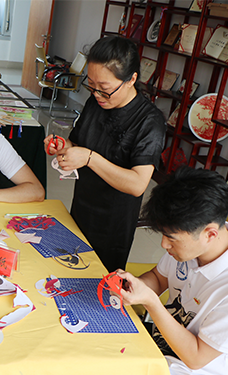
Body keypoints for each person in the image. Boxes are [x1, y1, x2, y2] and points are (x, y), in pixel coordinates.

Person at [117, 167, 228, 375]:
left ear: (210, 234)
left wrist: (150, 302)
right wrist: (134, 286)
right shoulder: (189, 246)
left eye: (171, 238)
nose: (164, 245)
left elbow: (196, 358)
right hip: (162, 344)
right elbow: (159, 278)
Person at [45, 35, 165, 272]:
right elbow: (77, 143)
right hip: (81, 207)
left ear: (131, 80)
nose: (97, 94)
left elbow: (137, 184)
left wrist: (90, 158)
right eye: (91, 85)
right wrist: (63, 146)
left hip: (113, 224)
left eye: (105, 89)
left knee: (96, 280)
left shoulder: (149, 122)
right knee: (66, 270)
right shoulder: (96, 103)